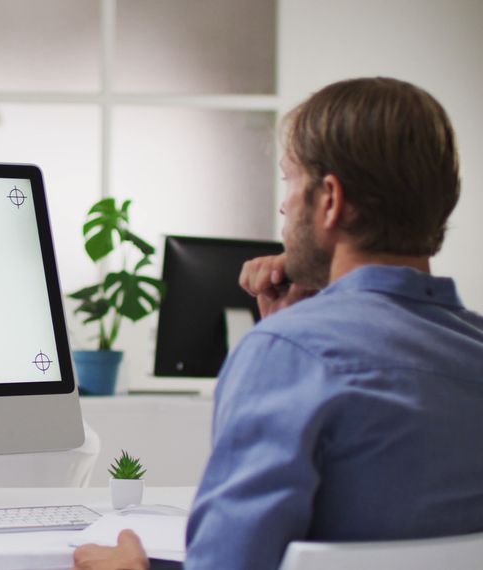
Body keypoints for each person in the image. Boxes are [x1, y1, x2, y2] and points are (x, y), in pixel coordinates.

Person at [73, 76, 483, 570]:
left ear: (330, 199)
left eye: (290, 180)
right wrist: (292, 329)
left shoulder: (288, 353)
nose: (284, 205)